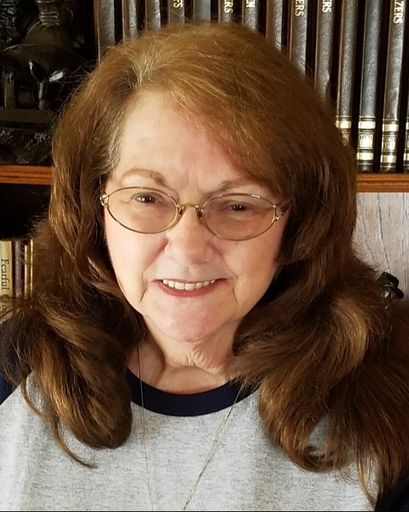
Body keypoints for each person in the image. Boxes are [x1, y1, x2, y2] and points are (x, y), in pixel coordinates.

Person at [1, 22, 409, 511]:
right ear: (95, 210)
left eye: (237, 205)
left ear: (297, 225)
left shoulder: (387, 404)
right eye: (147, 197)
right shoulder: (13, 369)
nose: (188, 249)